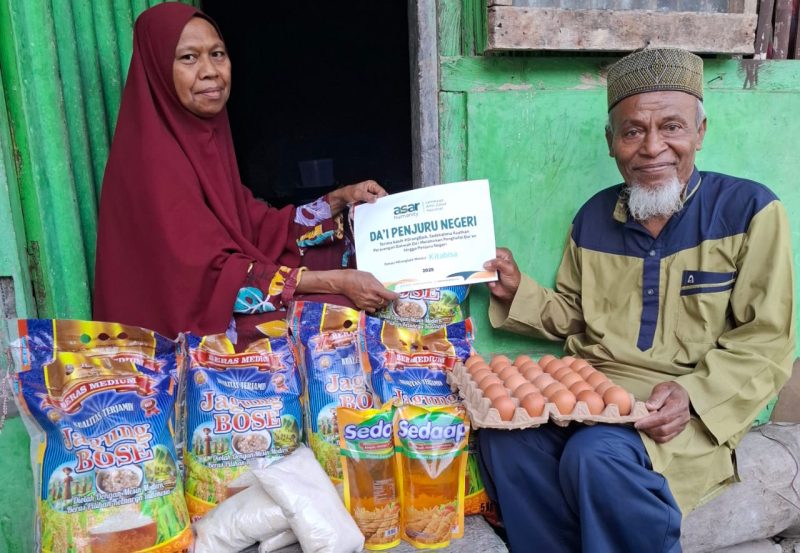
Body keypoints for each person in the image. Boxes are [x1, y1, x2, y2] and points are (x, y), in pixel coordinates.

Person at [479, 48, 795, 552]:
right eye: (632, 132)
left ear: (700, 133)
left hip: (681, 407)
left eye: (671, 127)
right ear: (611, 143)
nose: (652, 148)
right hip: (594, 396)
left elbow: (766, 340)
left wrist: (693, 397)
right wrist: (520, 291)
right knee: (505, 439)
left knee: (595, 456)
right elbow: (577, 315)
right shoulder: (593, 218)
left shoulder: (750, 210)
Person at [93, 3, 397, 344]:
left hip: (220, 294)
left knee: (345, 250)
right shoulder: (151, 160)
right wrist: (335, 282)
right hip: (181, 325)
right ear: (158, 71)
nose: (210, 71)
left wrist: (338, 200)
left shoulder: (202, 138)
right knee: (337, 312)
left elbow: (255, 227)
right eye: (189, 58)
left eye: (217, 54)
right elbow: (210, 279)